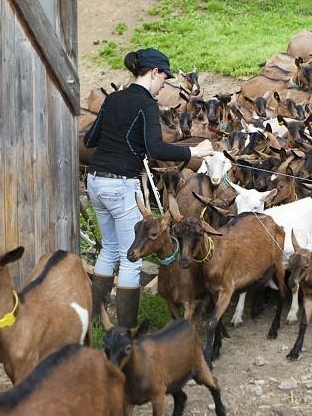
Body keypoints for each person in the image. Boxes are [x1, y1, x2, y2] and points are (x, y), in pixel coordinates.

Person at [83, 48, 216, 328]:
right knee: (132, 257)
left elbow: (92, 138)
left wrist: (122, 137)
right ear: (153, 73)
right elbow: (155, 147)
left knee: (109, 249)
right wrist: (195, 151)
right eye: (163, 80)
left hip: (95, 181)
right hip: (120, 186)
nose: (162, 87)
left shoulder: (114, 99)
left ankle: (97, 318)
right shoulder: (146, 104)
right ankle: (126, 330)